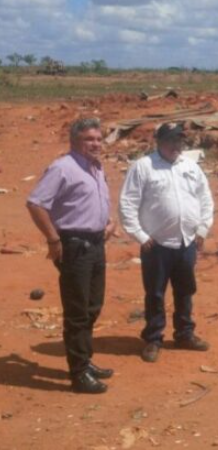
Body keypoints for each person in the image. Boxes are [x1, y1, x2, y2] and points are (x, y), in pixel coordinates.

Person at [26, 118, 116, 394]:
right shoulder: (63, 167)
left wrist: (109, 222)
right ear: (74, 140)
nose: (96, 144)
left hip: (96, 244)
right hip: (74, 246)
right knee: (77, 312)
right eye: (90, 139)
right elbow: (36, 203)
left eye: (99, 139)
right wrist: (53, 239)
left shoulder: (95, 167)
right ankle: (78, 374)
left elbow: (93, 202)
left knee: (92, 307)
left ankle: (85, 361)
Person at [118, 122, 214, 363]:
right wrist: (140, 235)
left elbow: (205, 198)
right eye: (171, 140)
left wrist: (202, 228)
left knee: (185, 291)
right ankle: (153, 339)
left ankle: (184, 334)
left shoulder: (190, 166)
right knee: (155, 293)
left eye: (179, 140)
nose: (176, 145)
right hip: (156, 244)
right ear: (158, 142)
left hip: (186, 241)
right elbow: (127, 203)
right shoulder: (143, 167)